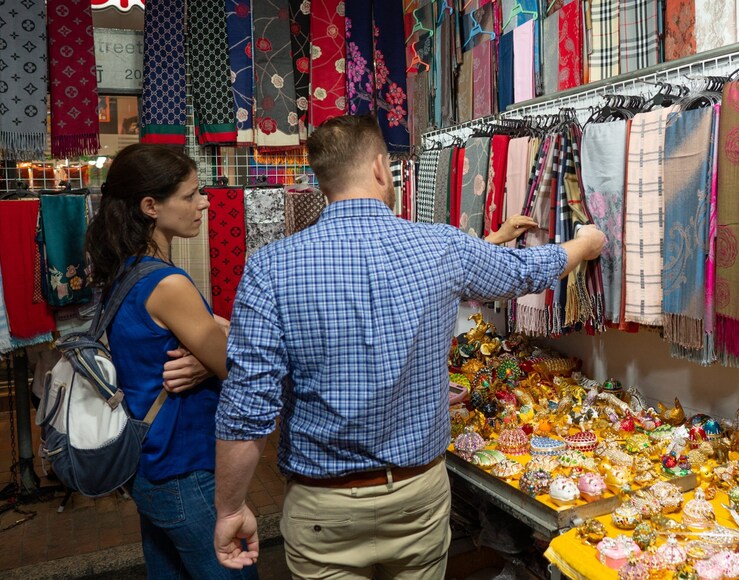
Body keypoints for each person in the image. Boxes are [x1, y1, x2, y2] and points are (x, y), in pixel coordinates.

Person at [213, 115, 606, 578]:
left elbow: (247, 410)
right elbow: (526, 270)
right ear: (381, 168)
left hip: (322, 505)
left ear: (322, 181)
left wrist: (229, 510)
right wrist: (586, 244)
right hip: (416, 496)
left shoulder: (269, 268)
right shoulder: (440, 248)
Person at [84, 144, 258, 580]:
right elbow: (236, 368)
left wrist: (210, 344)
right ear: (150, 206)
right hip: (187, 469)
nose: (204, 202)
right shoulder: (168, 284)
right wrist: (220, 340)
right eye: (191, 194)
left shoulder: (127, 270)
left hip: (150, 467)